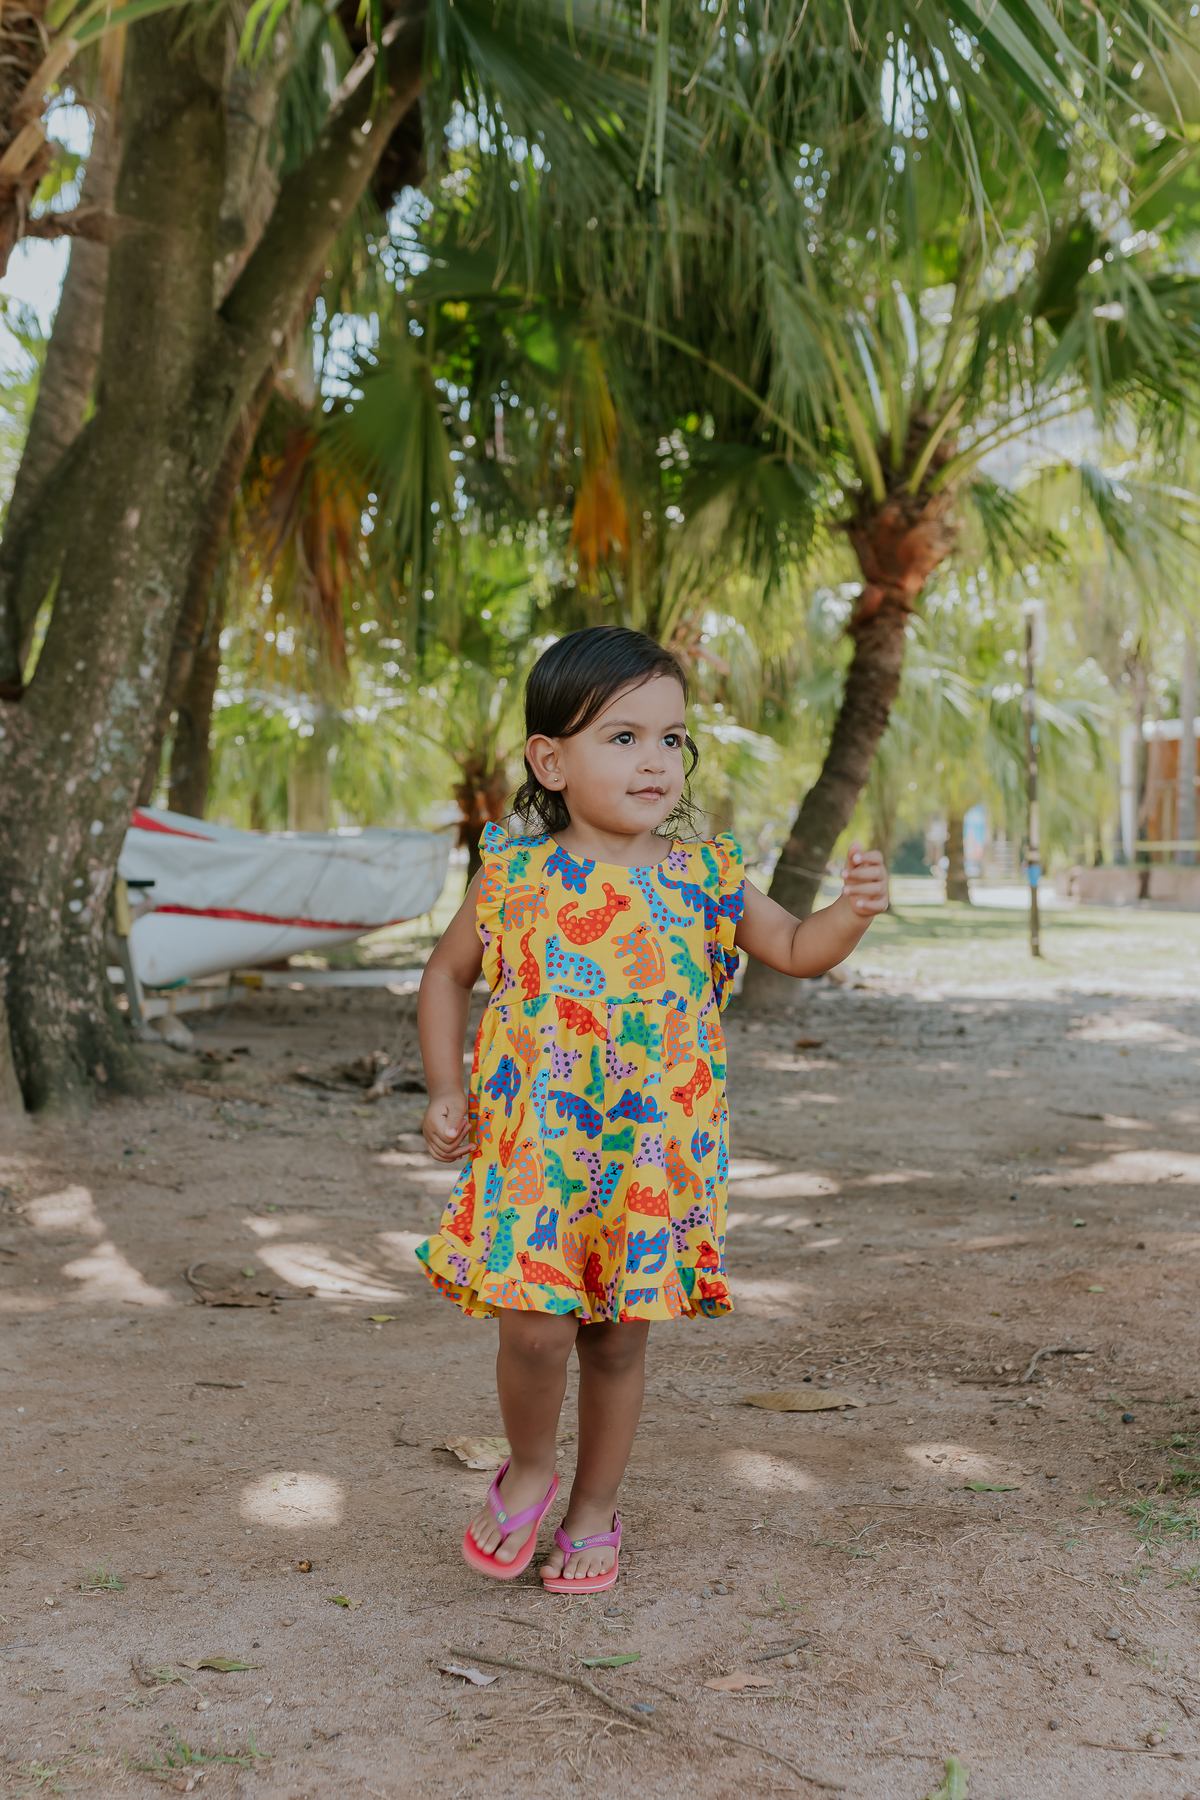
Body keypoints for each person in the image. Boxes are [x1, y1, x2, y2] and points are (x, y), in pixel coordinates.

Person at [417, 626, 887, 1593]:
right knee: (534, 1328)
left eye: (672, 740)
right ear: (551, 758)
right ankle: (532, 1469)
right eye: (623, 737)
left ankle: (596, 1505)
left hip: (651, 1159)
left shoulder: (702, 872)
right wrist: (444, 1087)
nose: (655, 760)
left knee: (619, 1337)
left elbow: (796, 948)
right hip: (535, 1152)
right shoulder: (513, 870)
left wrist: (852, 913)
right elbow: (445, 976)